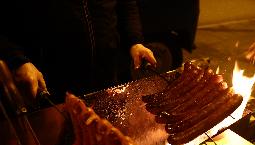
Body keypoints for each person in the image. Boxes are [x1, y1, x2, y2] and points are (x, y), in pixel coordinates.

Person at [0, 0, 156, 105]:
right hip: (52, 88)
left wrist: (135, 41)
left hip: (107, 79)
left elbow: (127, 5)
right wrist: (18, 60)